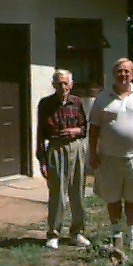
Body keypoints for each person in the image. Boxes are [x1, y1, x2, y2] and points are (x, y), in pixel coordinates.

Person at [88, 58, 133, 251]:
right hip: (108, 157)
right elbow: (94, 128)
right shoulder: (102, 98)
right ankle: (115, 232)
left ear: (132, 74)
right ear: (113, 74)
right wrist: (92, 153)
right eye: (119, 71)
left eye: (127, 71)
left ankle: (132, 233)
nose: (123, 75)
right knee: (112, 197)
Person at [36, 69, 90, 250]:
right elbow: (40, 134)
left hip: (76, 147)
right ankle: (53, 233)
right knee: (57, 193)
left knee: (77, 192)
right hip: (56, 148)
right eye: (59, 83)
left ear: (71, 85)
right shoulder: (45, 104)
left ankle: (77, 232)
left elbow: (85, 128)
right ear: (53, 85)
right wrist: (42, 160)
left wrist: (76, 131)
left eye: (66, 83)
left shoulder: (77, 102)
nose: (63, 87)